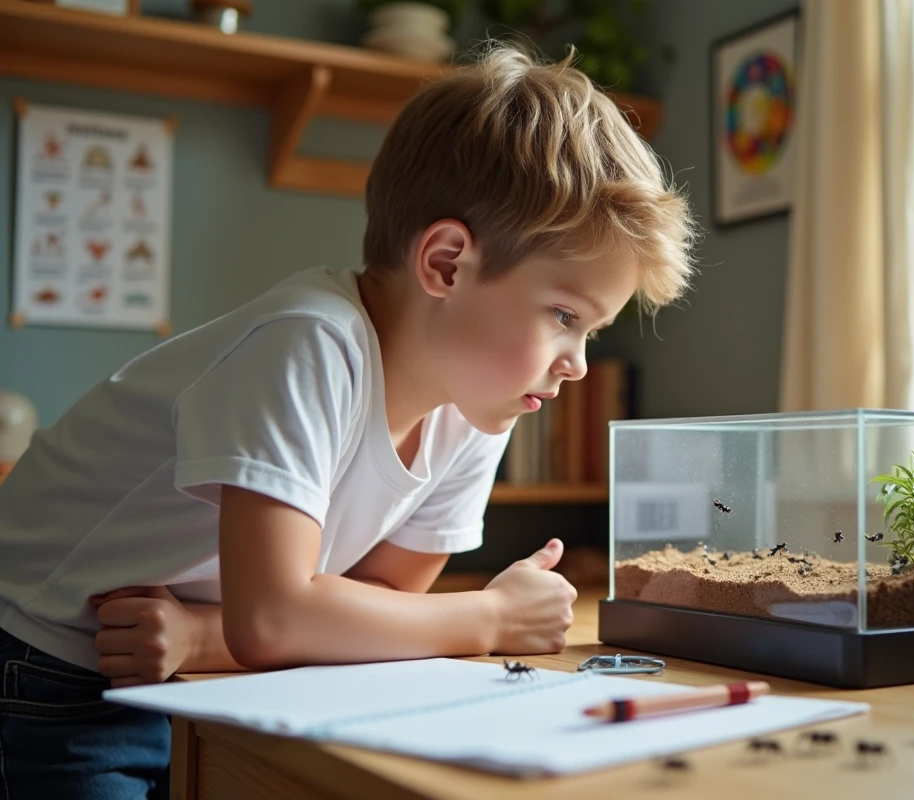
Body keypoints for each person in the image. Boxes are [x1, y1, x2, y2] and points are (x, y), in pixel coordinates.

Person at [0, 41, 698, 799]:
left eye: (591, 331)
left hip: (180, 658)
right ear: (446, 264)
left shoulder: (475, 410)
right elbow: (278, 621)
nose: (579, 364)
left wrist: (202, 638)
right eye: (564, 316)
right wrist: (490, 616)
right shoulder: (309, 343)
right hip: (46, 661)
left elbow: (371, 611)